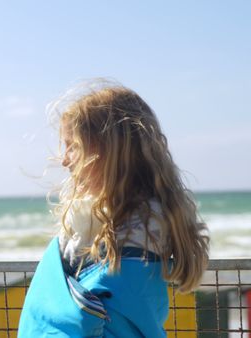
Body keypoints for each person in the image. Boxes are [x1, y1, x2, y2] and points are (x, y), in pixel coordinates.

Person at [18, 80, 209, 337]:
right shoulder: (88, 218)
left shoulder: (144, 225)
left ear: (108, 151)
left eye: (73, 146)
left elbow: (114, 308)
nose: (64, 161)